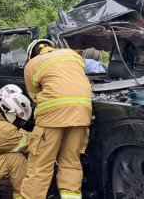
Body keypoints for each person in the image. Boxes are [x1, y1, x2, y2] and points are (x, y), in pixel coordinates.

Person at [20, 39, 92, 199]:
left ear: (32, 54)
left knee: (40, 166)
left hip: (52, 118)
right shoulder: (72, 55)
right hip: (82, 114)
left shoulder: (32, 65)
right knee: (71, 162)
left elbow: (34, 96)